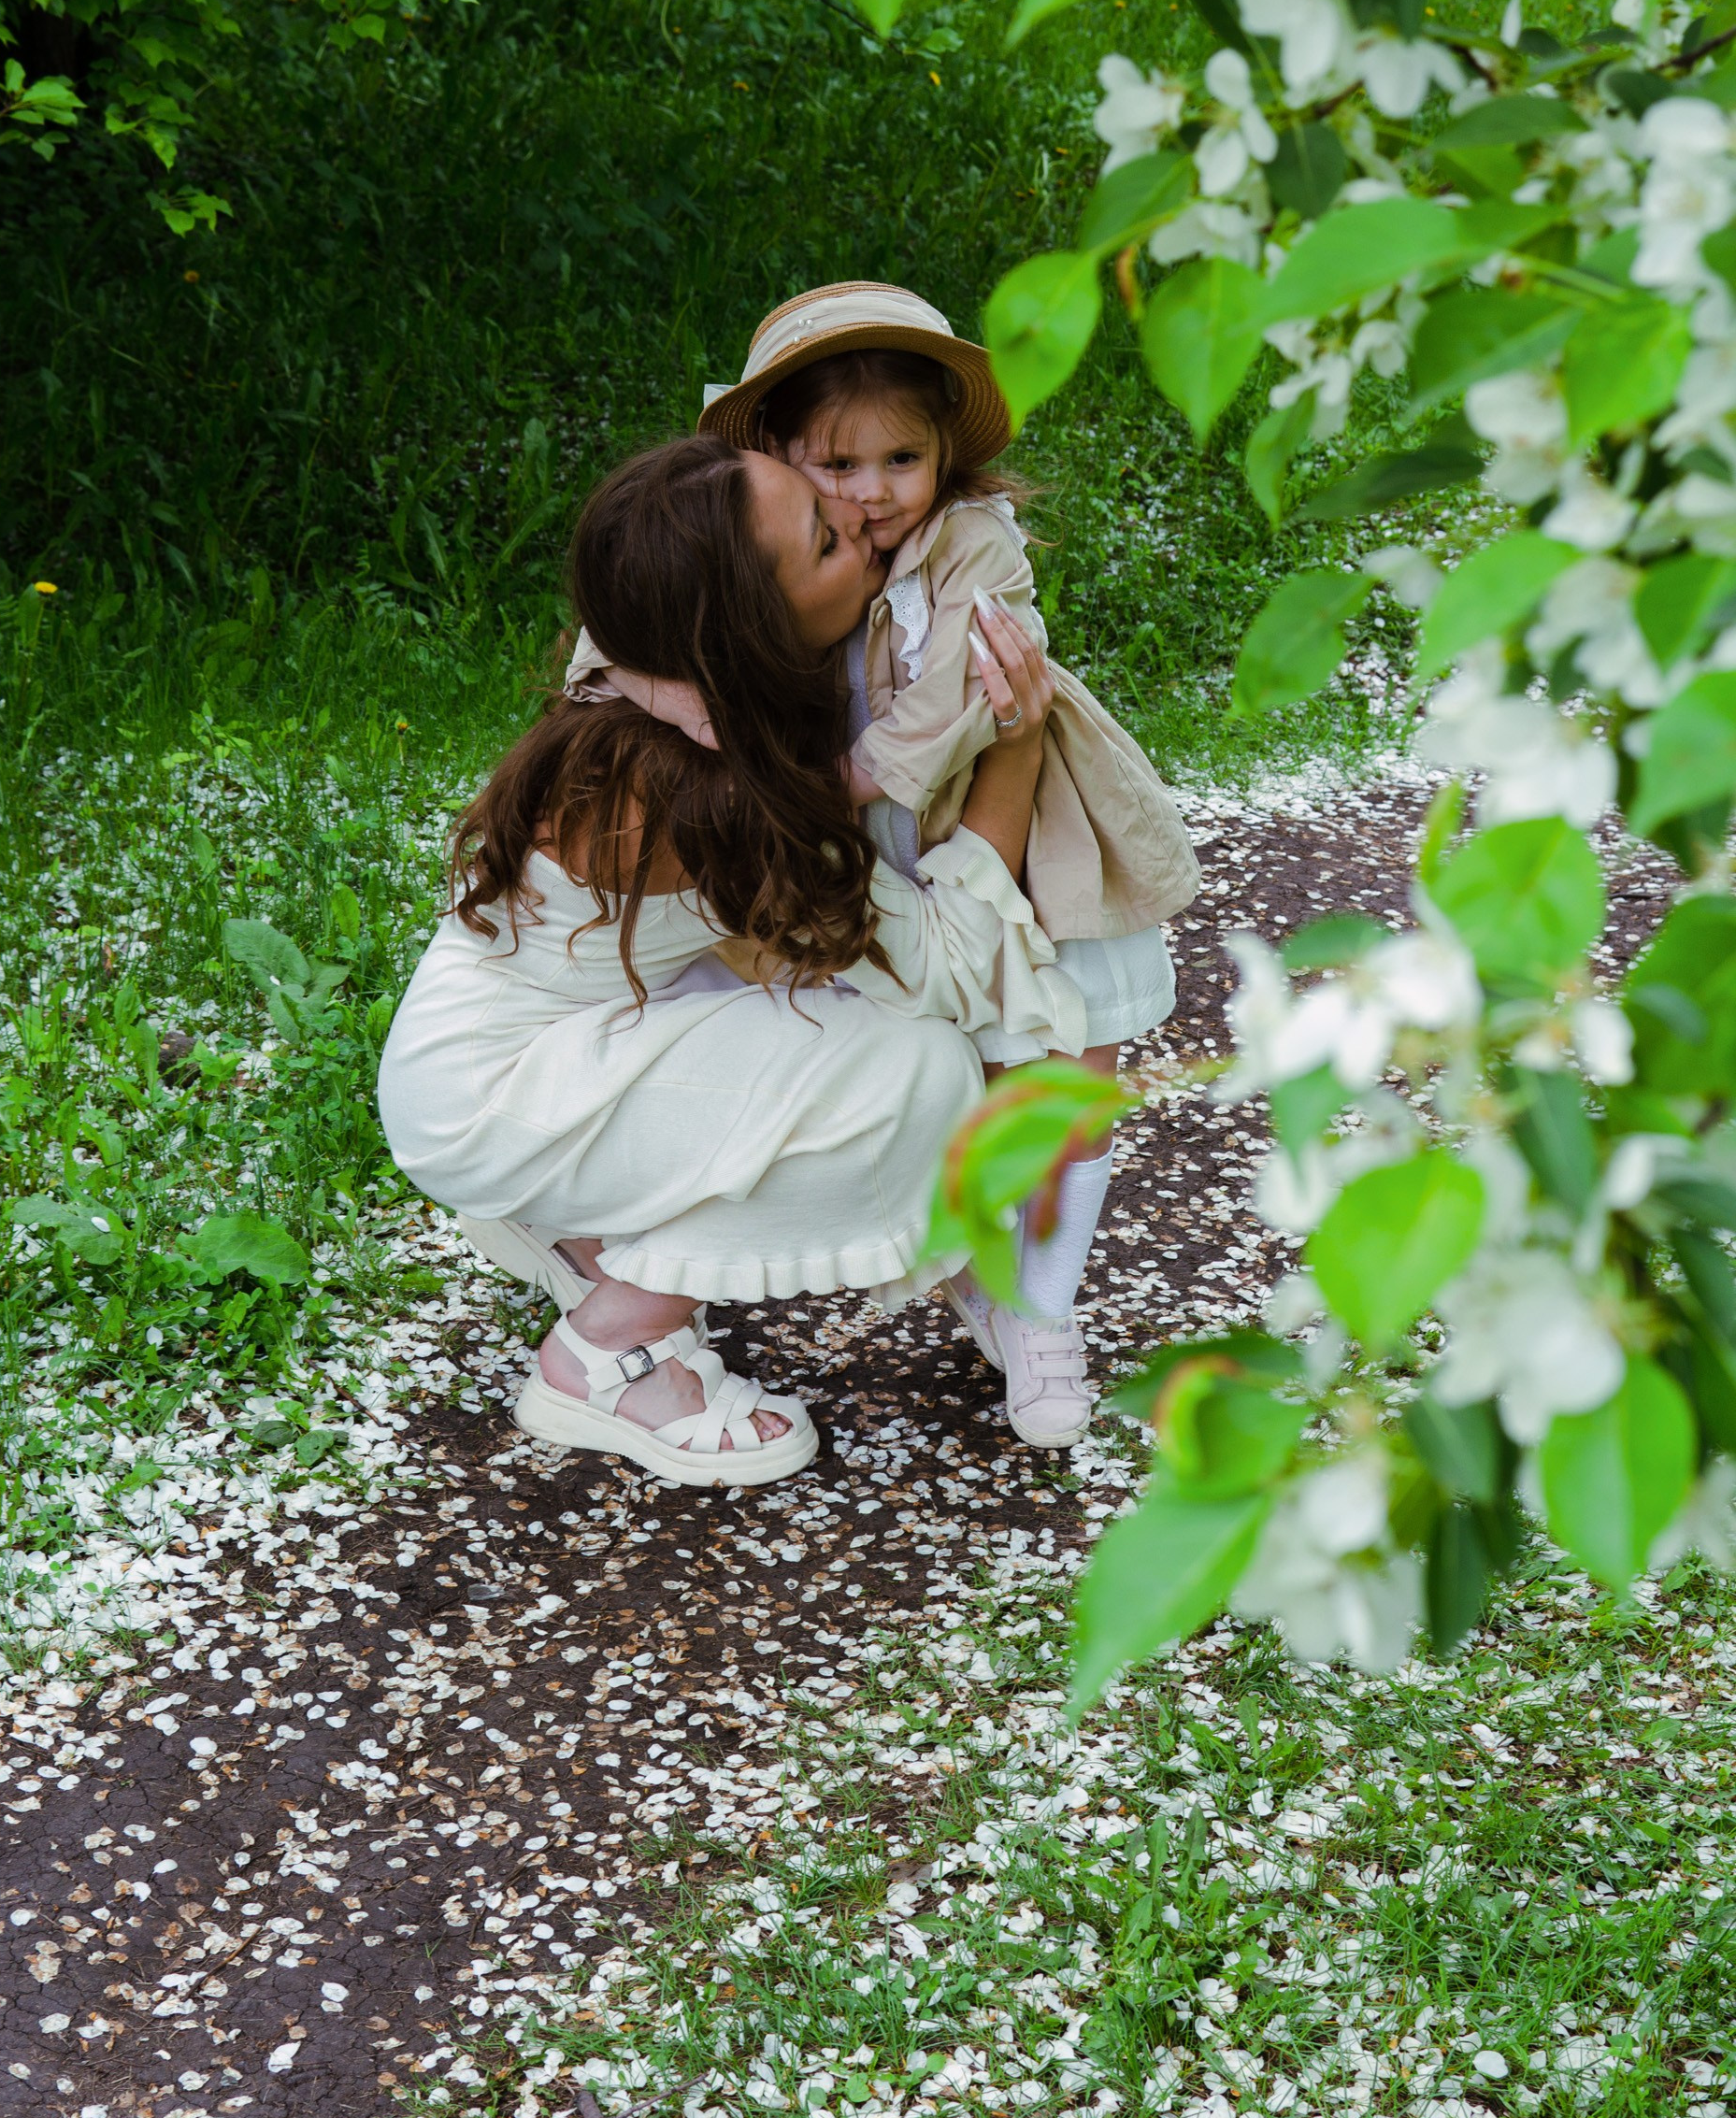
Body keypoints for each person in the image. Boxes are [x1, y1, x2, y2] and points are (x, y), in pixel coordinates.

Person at [376, 435, 1080, 1491]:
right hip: (489, 1099)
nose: (865, 524)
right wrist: (1015, 745)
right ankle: (607, 1354)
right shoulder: (698, 797)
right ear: (748, 630)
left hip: (520, 1046)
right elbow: (951, 965)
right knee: (921, 1078)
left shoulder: (650, 695)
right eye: (827, 539)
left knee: (821, 1015)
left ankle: (572, 1216)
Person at [582, 281, 1200, 1403]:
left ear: (942, 454)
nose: (872, 494)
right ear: (776, 453)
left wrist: (837, 783)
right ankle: (650, 1232)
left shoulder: (972, 545)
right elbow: (630, 613)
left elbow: (961, 692)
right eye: (837, 465)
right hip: (856, 849)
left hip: (998, 823)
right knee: (841, 1047)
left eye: (901, 460)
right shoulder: (751, 535)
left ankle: (1037, 1301)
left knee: (1058, 1064)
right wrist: (652, 686)